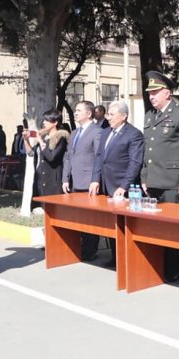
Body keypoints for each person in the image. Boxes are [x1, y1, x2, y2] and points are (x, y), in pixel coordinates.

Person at [141, 71, 179, 281]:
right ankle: (155, 265)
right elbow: (148, 150)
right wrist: (144, 176)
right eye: (150, 93)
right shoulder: (149, 116)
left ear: (168, 93)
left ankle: (172, 269)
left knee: (172, 229)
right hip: (152, 181)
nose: (152, 96)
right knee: (154, 228)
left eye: (155, 92)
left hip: (172, 182)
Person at [89, 100, 144, 267]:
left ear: (124, 116)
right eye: (108, 114)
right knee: (111, 224)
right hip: (105, 185)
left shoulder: (133, 134)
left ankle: (128, 260)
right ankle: (115, 257)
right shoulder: (106, 132)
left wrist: (124, 186)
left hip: (123, 188)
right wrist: (95, 179)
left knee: (124, 226)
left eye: (112, 115)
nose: (109, 117)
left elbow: (135, 163)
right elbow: (99, 157)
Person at [62, 100, 103, 260]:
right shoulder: (74, 133)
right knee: (78, 218)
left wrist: (96, 179)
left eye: (79, 110)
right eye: (75, 110)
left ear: (88, 113)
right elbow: (68, 156)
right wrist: (65, 178)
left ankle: (90, 251)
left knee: (90, 219)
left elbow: (99, 157)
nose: (75, 113)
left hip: (88, 182)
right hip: (74, 181)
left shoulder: (96, 131)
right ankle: (80, 247)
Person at [23, 109, 69, 197]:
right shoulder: (45, 137)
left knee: (52, 208)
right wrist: (26, 140)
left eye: (47, 120)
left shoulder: (60, 137)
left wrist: (40, 141)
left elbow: (51, 157)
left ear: (55, 122)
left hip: (53, 180)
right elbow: (31, 153)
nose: (44, 122)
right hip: (40, 178)